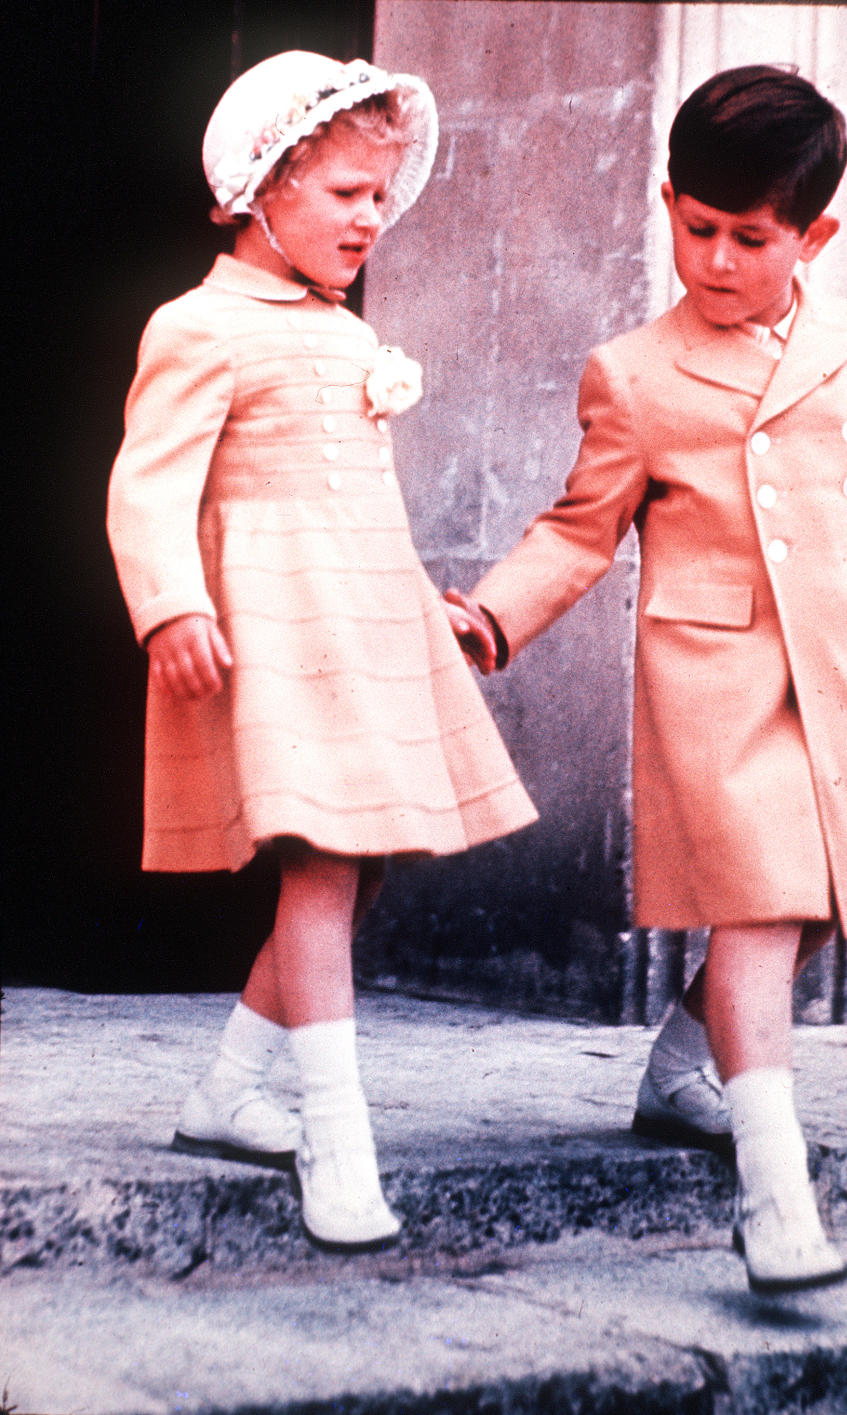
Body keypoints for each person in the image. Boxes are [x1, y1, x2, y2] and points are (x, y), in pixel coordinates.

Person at [446, 65, 847, 1293]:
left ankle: (680, 1067)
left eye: (749, 238)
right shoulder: (636, 372)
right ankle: (777, 1198)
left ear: (810, 234)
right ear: (667, 200)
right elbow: (577, 527)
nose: (714, 259)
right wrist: (493, 617)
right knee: (764, 906)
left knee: (822, 901)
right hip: (717, 679)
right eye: (695, 227)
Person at [107, 51, 536, 1252]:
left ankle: (230, 1085)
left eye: (380, 195)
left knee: (369, 865)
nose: (371, 217)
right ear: (265, 188)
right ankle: (336, 1136)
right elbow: (148, 484)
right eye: (346, 192)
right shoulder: (199, 325)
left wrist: (417, 609)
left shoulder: (344, 332)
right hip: (277, 630)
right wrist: (171, 603)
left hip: (359, 623)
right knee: (323, 860)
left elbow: (355, 503)